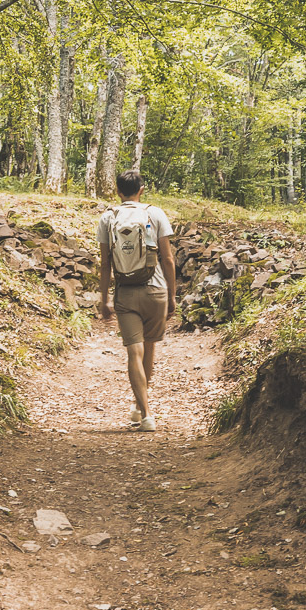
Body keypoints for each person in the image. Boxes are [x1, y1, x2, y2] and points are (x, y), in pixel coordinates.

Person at [98, 170, 176, 431]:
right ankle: (138, 405)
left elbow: (106, 262)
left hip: (126, 292)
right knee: (149, 349)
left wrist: (104, 298)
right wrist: (173, 295)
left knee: (134, 351)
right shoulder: (156, 214)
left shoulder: (108, 218)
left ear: (118, 191)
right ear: (142, 189)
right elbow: (168, 259)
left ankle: (145, 414)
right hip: (156, 291)